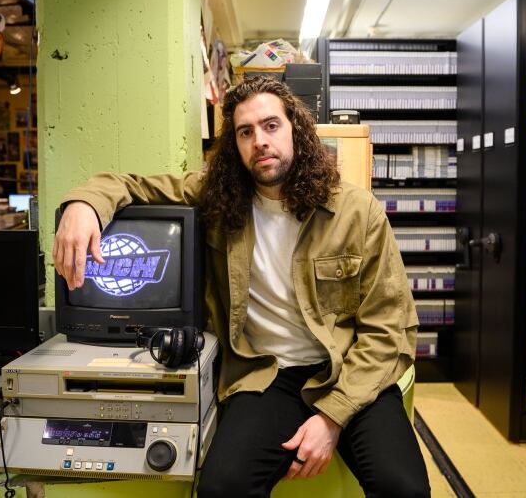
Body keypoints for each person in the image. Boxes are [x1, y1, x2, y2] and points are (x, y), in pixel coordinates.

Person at [53, 76, 430, 497]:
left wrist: (331, 418)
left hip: (350, 368)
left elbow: (388, 329)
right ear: (235, 144)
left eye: (271, 126)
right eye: (245, 132)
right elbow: (129, 185)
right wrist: (82, 204)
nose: (259, 141)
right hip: (265, 374)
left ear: (296, 131)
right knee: (221, 488)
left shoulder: (357, 211)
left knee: (405, 488)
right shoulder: (218, 196)